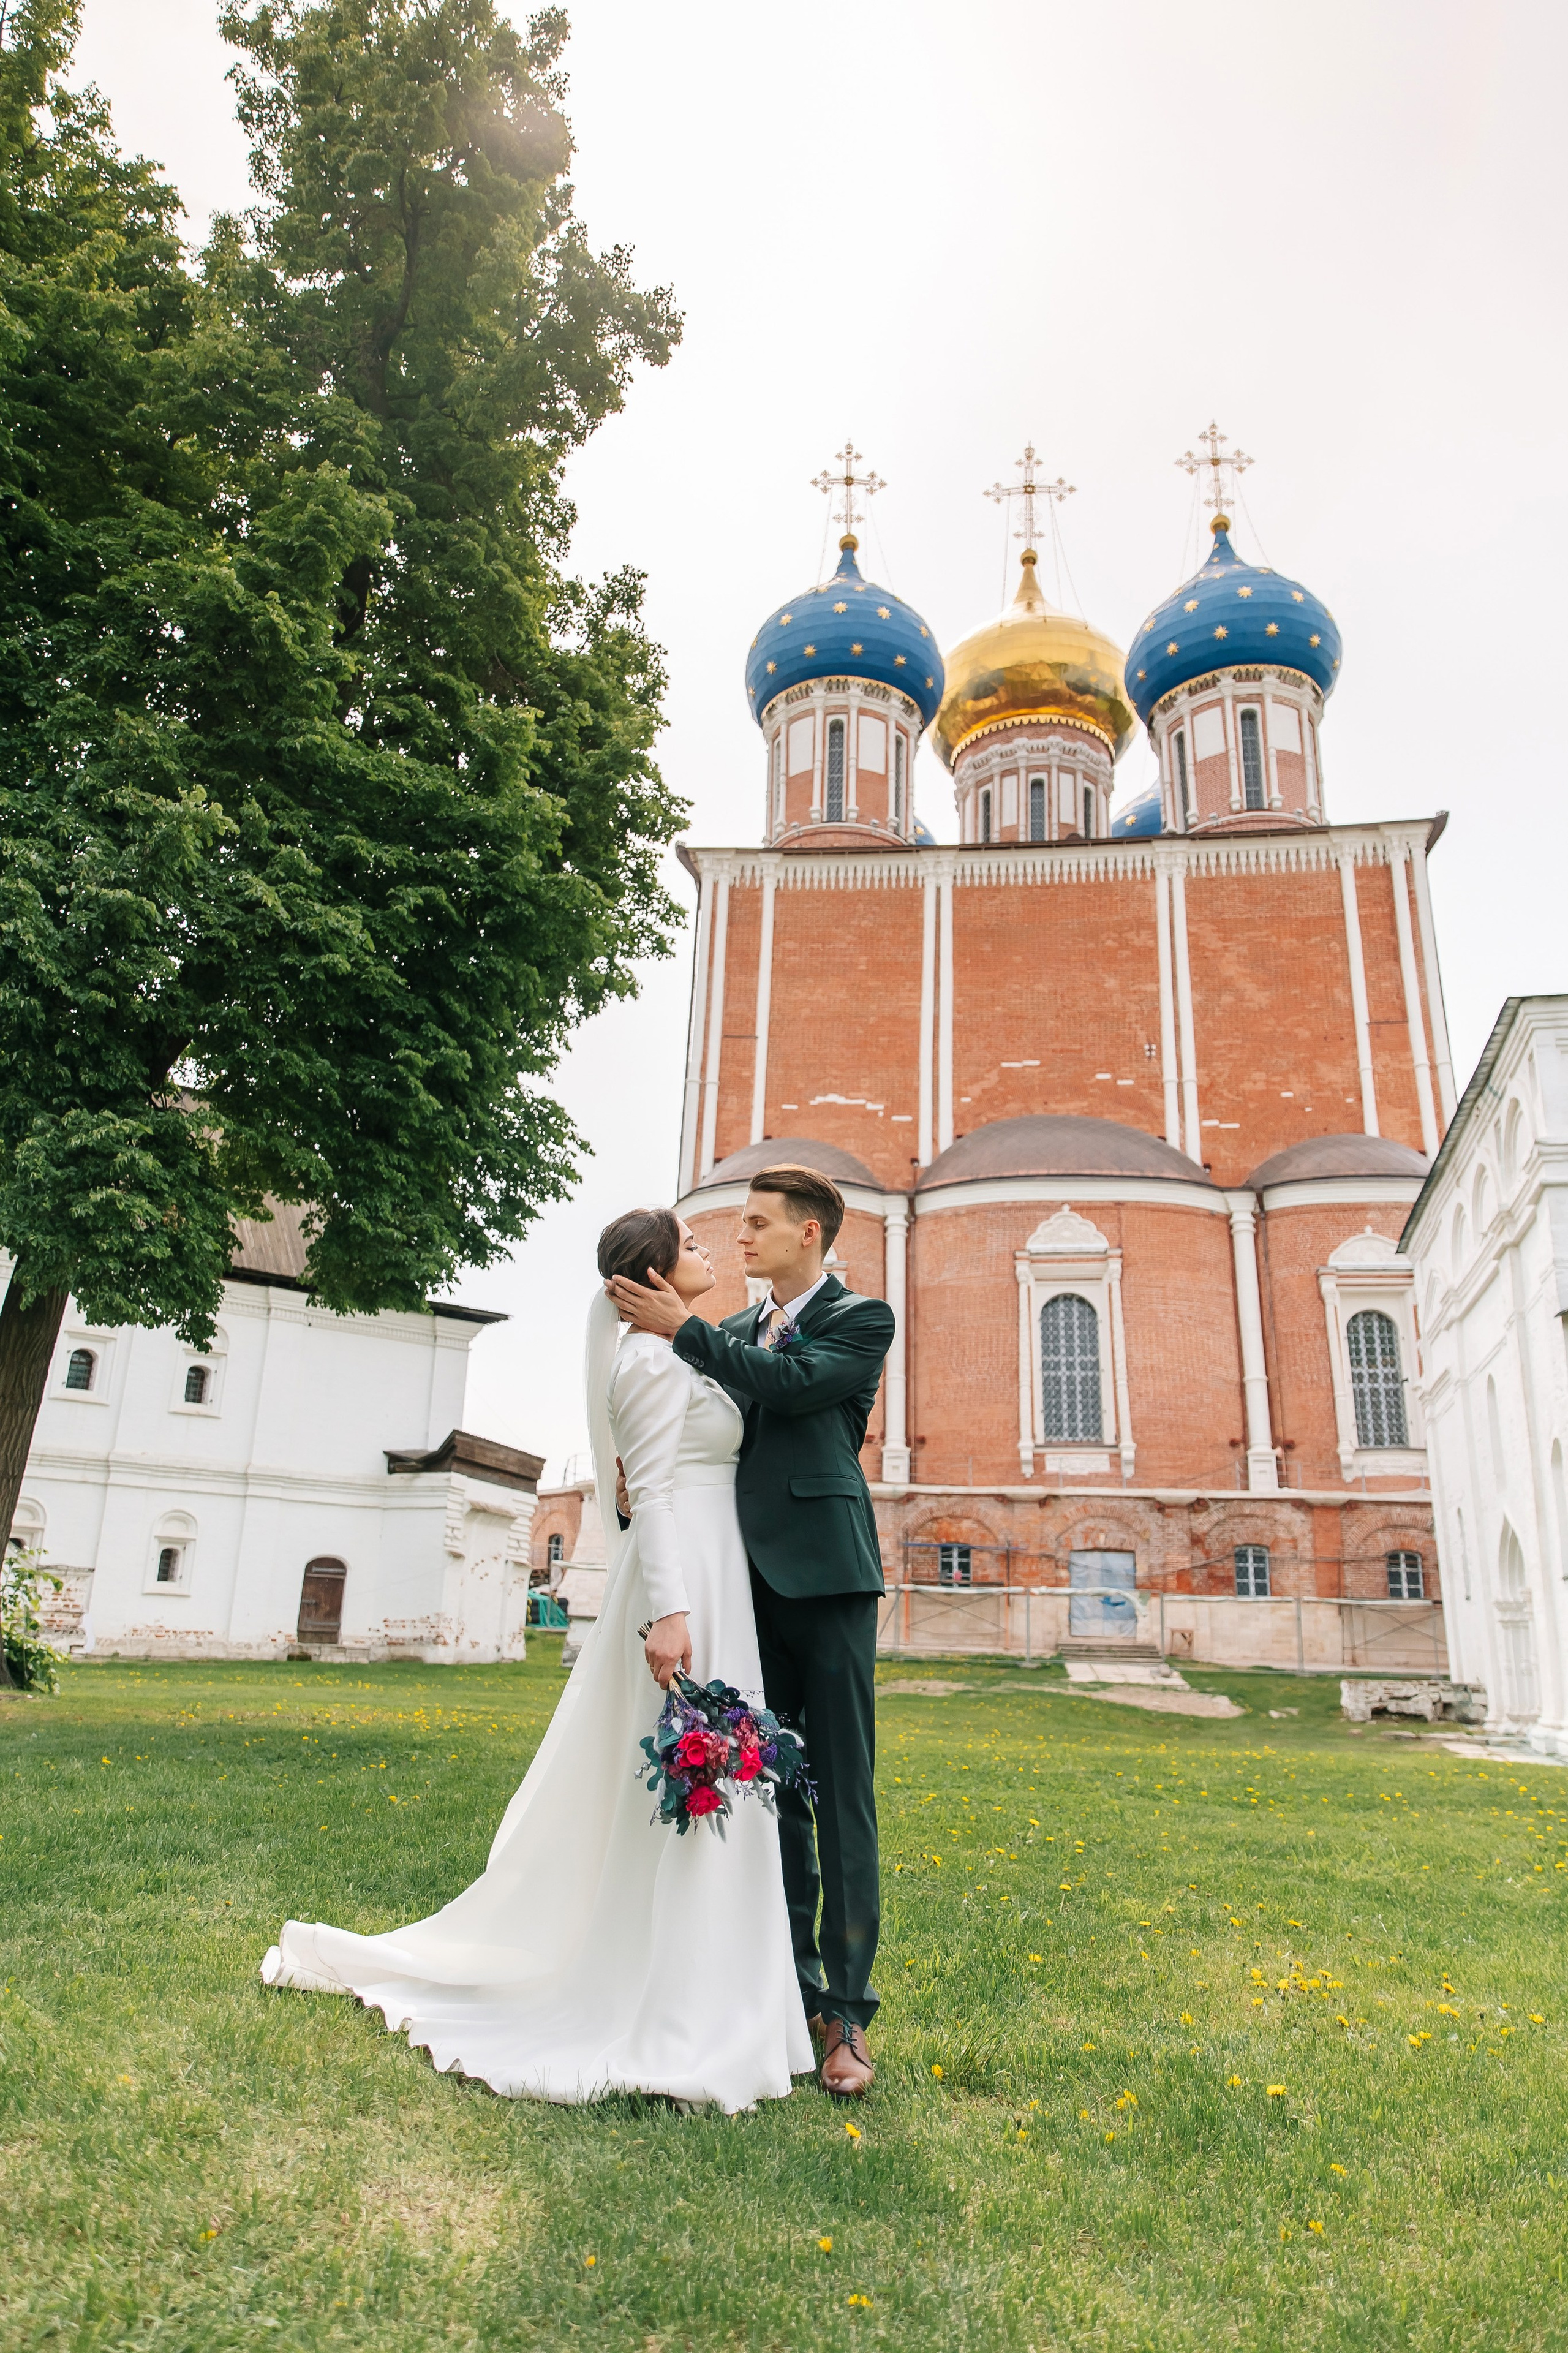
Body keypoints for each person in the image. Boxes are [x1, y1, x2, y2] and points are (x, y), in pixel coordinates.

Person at [258, 1209, 812, 2114]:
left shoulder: (681, 1350)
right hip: (686, 1583)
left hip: (718, 1571)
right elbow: (654, 1493)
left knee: (720, 1773)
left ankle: (731, 2005)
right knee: (693, 1775)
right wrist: (671, 1613)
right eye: (691, 1244)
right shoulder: (647, 1361)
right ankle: (680, 2014)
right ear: (653, 1272)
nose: (709, 1249)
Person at [607, 1165, 894, 2099]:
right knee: (774, 1795)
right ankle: (790, 1991)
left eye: (760, 1223)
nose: (742, 1237)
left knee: (841, 1793)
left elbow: (795, 1384)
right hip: (741, 1591)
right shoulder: (724, 1331)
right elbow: (683, 1436)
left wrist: (683, 1330)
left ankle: (847, 2011)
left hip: (829, 1582)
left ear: (809, 1233)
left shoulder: (862, 1320)